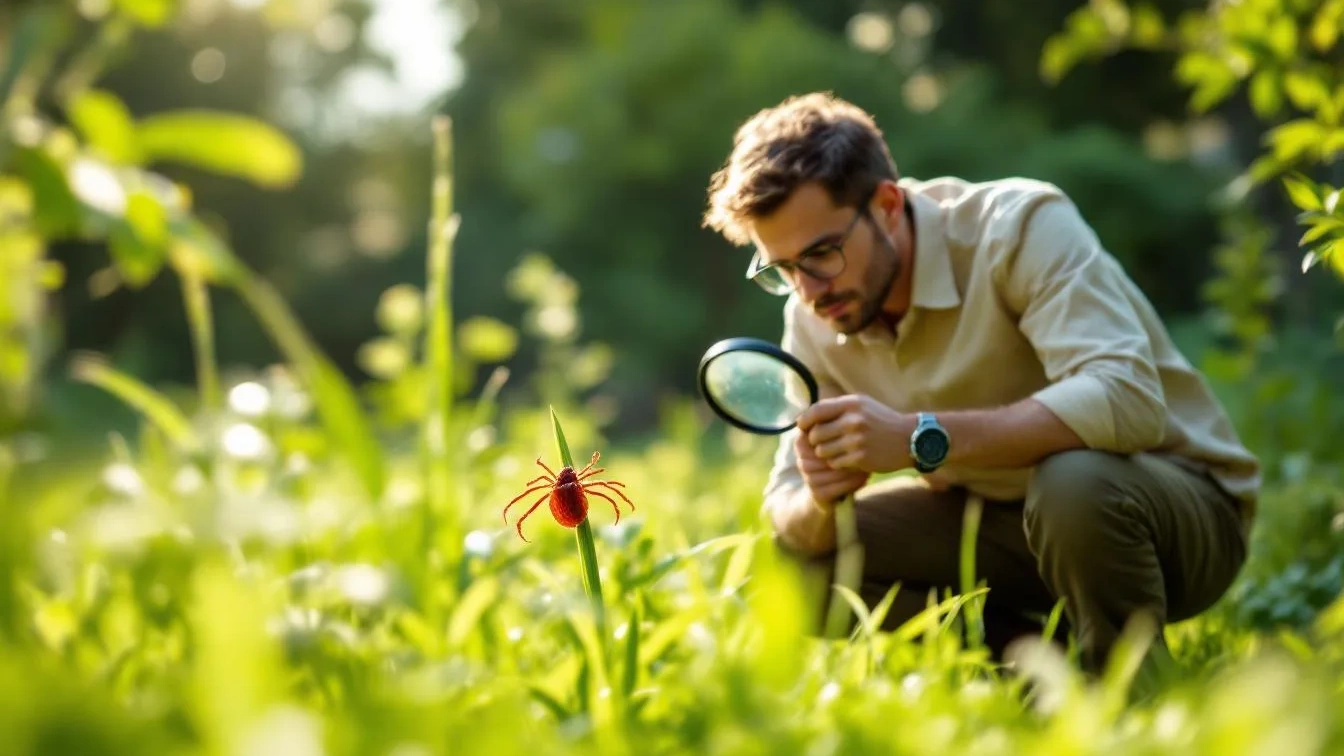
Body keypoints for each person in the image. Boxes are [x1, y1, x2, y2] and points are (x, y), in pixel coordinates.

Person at [700, 91, 1260, 688]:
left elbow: (1128, 399)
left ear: (887, 206)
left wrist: (919, 439)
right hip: (1004, 528)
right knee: (787, 569)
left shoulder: (1018, 228)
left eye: (822, 253)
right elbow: (785, 501)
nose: (808, 290)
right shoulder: (815, 313)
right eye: (782, 269)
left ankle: (1133, 692)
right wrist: (820, 496)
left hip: (1172, 516)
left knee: (1072, 484)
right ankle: (1042, 682)